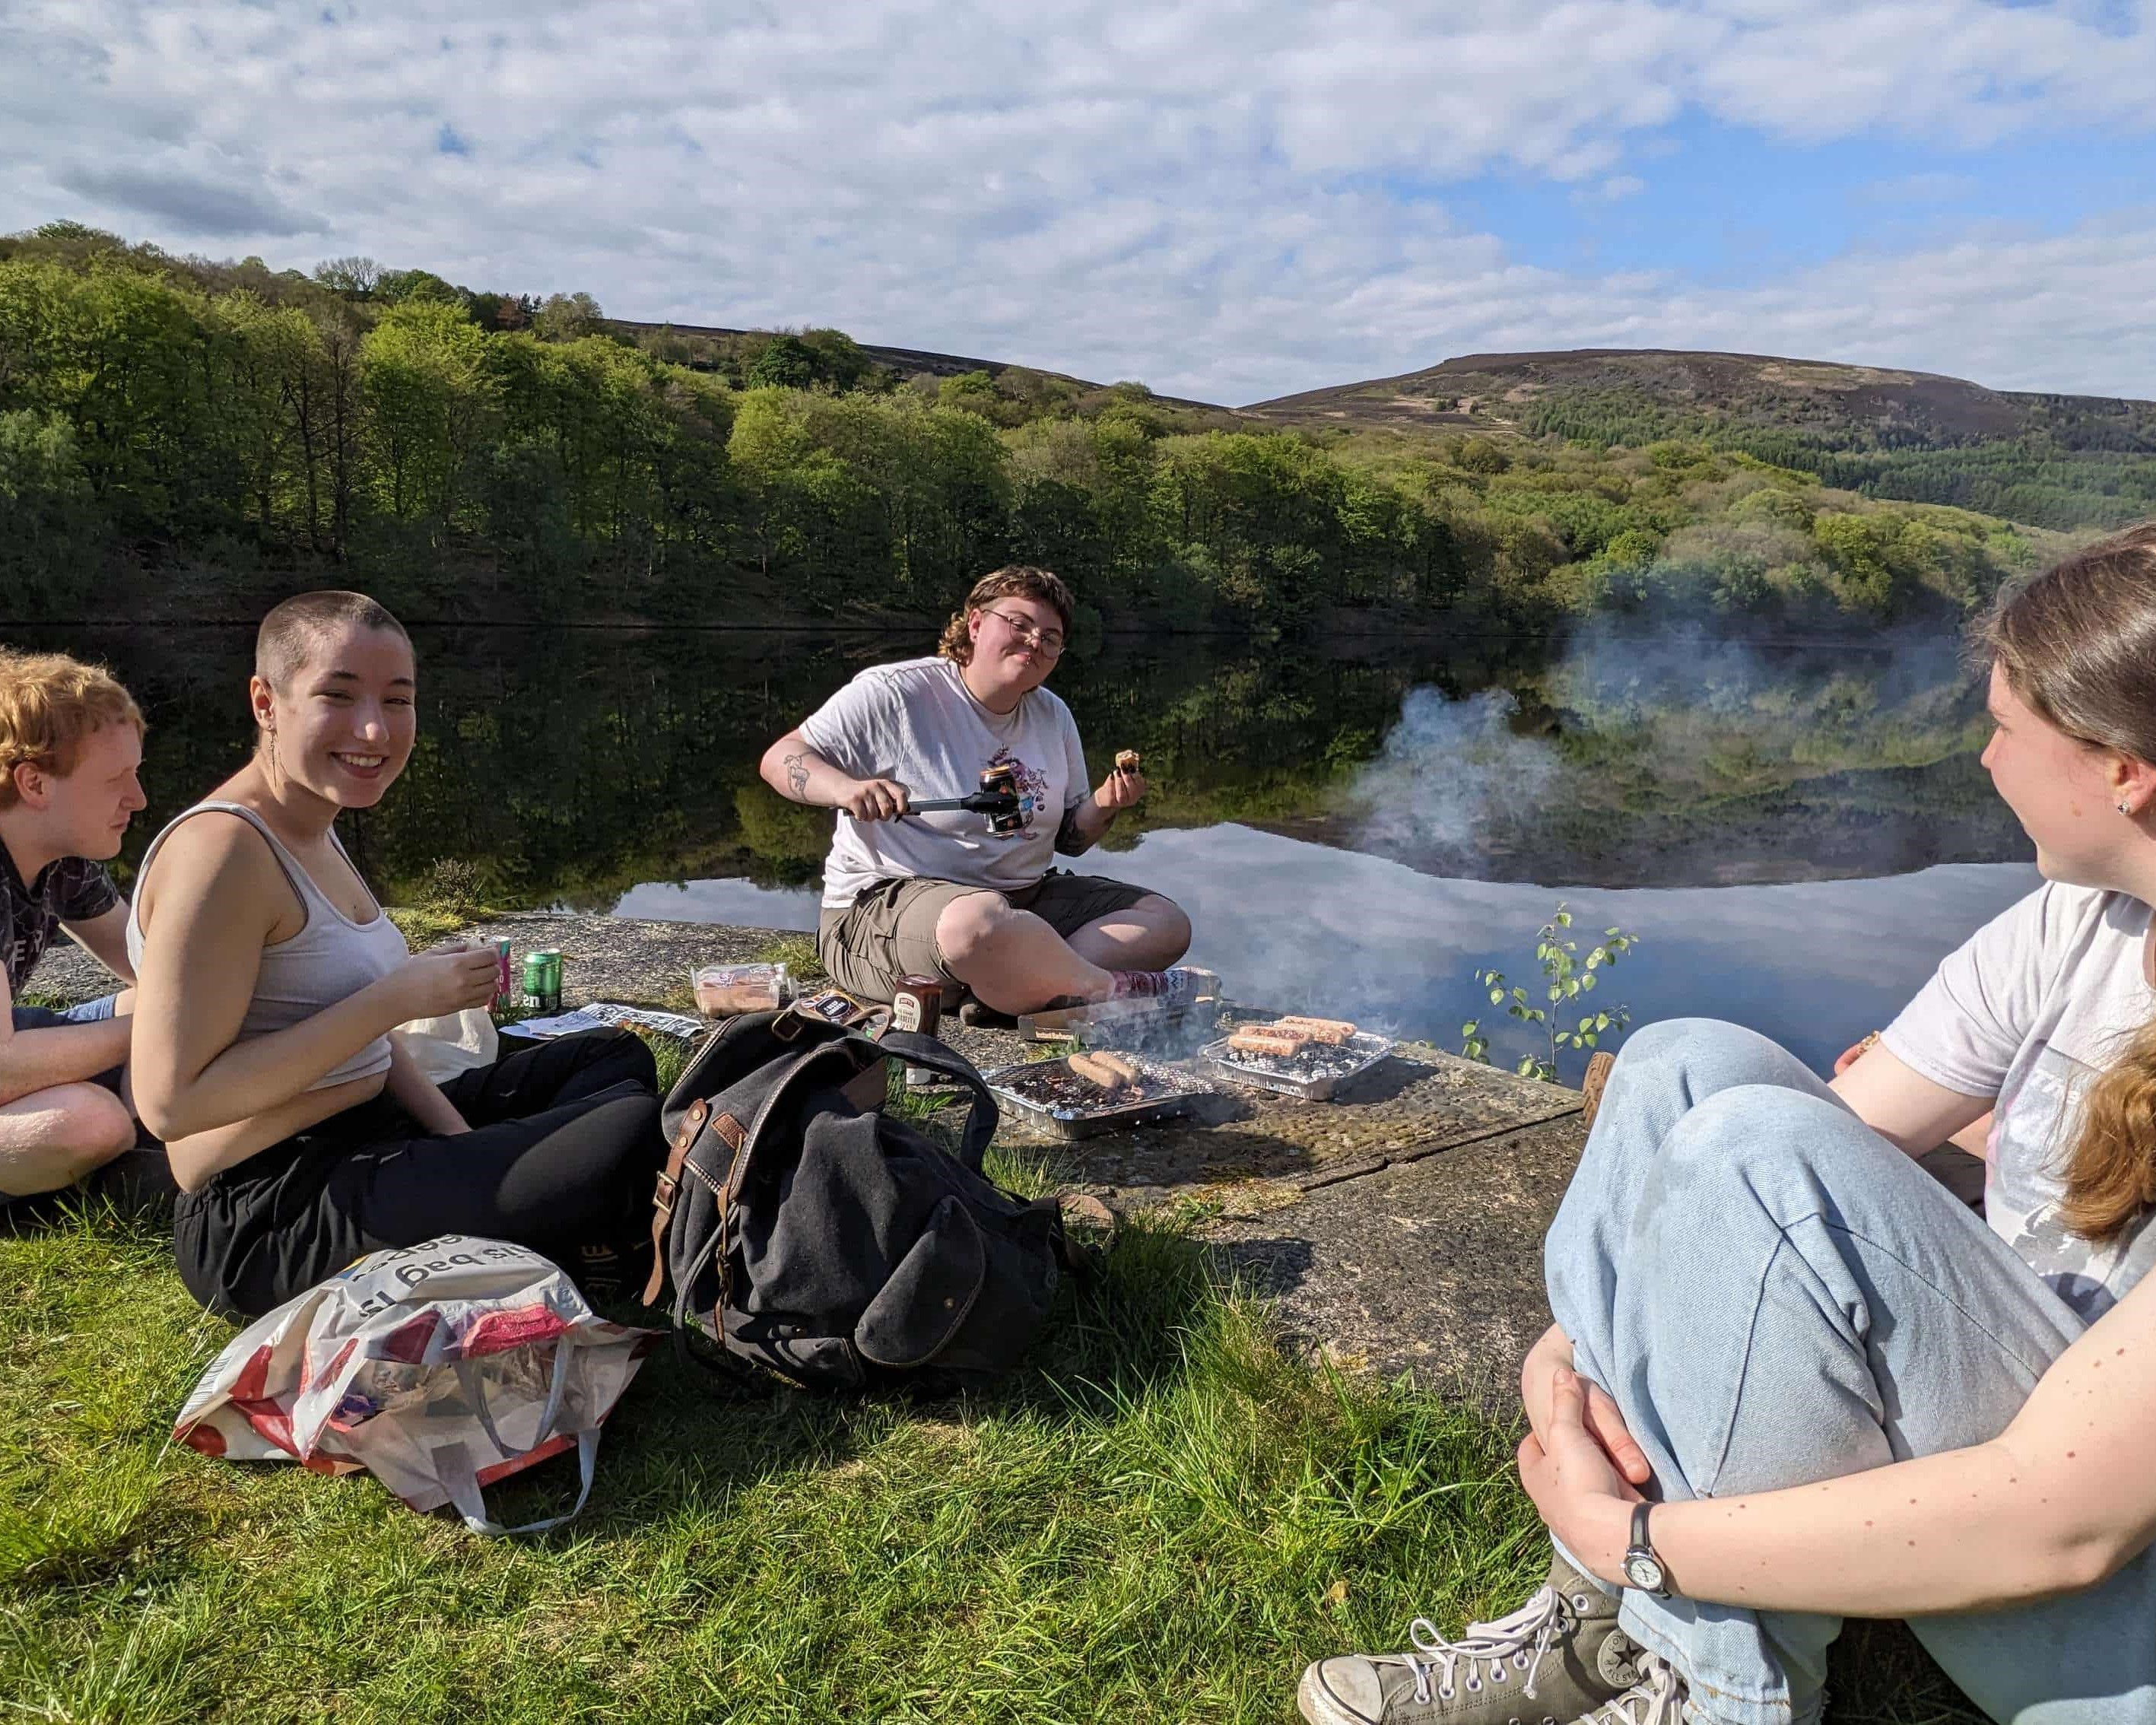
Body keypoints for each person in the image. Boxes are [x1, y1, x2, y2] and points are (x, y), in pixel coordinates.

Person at [1298, 519, 2156, 1725]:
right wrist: (1570, 1349)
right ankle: (1607, 1632)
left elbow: (2054, 1524)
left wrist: (1633, 1532)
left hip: (2104, 1604)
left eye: (2005, 728)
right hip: (2013, 1456)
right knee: (1682, 1068)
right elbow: (1800, 1139)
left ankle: (1709, 1685)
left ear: (2122, 770)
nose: (1978, 760)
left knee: (1756, 1153)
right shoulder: (2090, 918)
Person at [128, 591, 663, 1320]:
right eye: (337, 696)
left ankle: (546, 1226)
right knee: (629, 1129)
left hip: (369, 1129)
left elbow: (368, 1047)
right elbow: (171, 1106)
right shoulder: (221, 852)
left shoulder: (314, 824)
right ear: (265, 701)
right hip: (271, 1210)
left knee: (611, 1060)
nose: (375, 729)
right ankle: (578, 1240)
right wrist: (397, 999)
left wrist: (465, 1141)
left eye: (398, 700)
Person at [760, 566, 1195, 1015]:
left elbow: (1069, 840)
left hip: (1021, 904)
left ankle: (1011, 987)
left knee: (1165, 923)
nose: (1033, 642)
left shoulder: (1053, 714)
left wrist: (1105, 804)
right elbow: (781, 759)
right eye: (1019, 624)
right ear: (975, 623)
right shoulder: (896, 695)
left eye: (1049, 638)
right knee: (980, 923)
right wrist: (845, 788)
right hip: (884, 911)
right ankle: (1103, 992)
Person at [0, 649, 151, 1207]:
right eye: (116, 779)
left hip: (14, 1034)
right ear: (35, 785)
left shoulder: (60, 855)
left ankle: (147, 1151)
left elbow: (150, 964)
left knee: (156, 1001)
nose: (137, 799)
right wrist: (171, 1024)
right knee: (89, 1124)